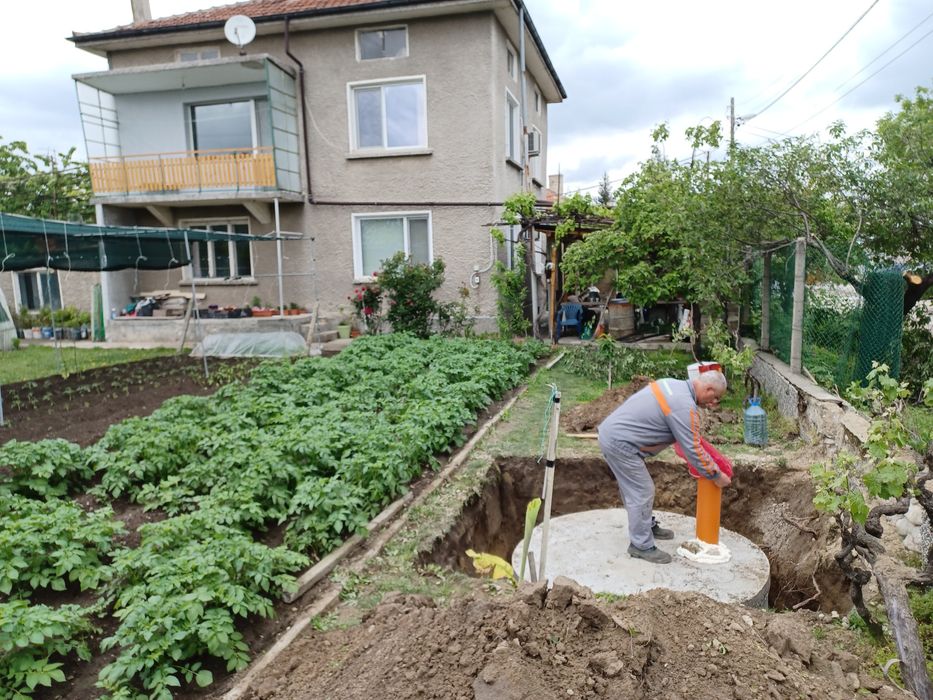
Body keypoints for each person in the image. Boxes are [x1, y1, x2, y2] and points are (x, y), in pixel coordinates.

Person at [597, 370, 731, 564]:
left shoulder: (672, 384)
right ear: (708, 388)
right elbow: (692, 448)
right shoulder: (684, 406)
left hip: (616, 436)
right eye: (715, 397)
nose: (713, 403)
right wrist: (715, 475)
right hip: (621, 443)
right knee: (642, 491)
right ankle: (641, 545)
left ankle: (645, 525)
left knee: (634, 488)